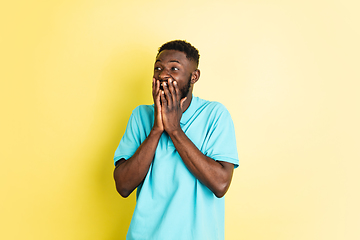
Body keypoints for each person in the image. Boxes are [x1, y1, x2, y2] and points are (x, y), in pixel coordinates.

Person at [113, 40, 239, 240]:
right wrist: (156, 130)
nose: (163, 74)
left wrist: (174, 129)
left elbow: (221, 184)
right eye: (158, 68)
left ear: (194, 76)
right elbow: (123, 186)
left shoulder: (215, 115)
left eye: (174, 68)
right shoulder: (141, 115)